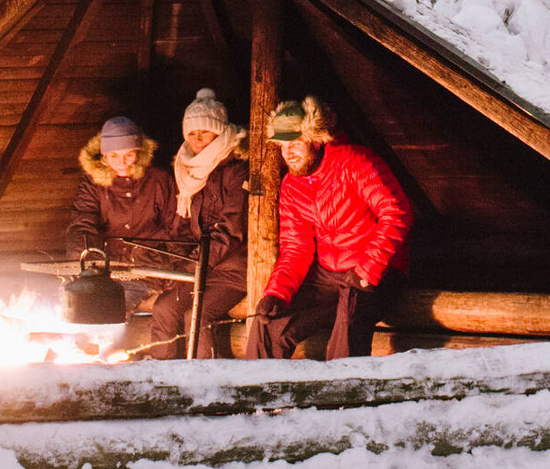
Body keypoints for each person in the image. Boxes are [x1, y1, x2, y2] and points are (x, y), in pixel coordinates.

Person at [251, 96, 412, 359]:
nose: (288, 153)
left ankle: (342, 385)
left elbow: (396, 212)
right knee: (268, 322)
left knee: (348, 321)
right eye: (282, 146)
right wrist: (276, 293)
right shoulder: (292, 186)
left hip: (378, 269)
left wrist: (368, 270)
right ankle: (257, 384)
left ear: (315, 139)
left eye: (295, 143)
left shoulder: (355, 161)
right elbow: (295, 248)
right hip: (329, 274)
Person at [67, 115, 188, 355]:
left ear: (138, 152)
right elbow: (84, 223)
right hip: (108, 266)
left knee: (115, 303)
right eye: (114, 156)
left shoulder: (158, 181)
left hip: (147, 267)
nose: (122, 163)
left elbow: (176, 227)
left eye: (128, 155)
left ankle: (102, 354)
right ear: (103, 156)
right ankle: (80, 353)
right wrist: (87, 264)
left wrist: (173, 268)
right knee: (76, 299)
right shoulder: (94, 184)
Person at [153, 88, 248, 359]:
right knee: (163, 308)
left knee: (197, 315)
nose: (197, 139)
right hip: (201, 266)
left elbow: (230, 231)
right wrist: (176, 263)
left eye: (204, 132)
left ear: (219, 133)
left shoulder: (237, 169)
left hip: (231, 269)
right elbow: (183, 226)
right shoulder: (189, 171)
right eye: (192, 133)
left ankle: (204, 380)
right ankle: (160, 375)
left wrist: (195, 264)